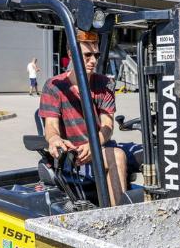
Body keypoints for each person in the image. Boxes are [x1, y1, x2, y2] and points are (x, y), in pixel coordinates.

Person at [38, 31, 128, 206]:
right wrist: (55, 138)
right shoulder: (54, 86)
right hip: (73, 154)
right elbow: (51, 126)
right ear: (72, 54)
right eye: (87, 55)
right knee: (116, 156)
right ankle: (120, 220)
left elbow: (107, 125)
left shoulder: (104, 84)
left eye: (96, 55)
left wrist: (94, 146)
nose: (93, 61)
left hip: (98, 147)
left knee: (150, 152)